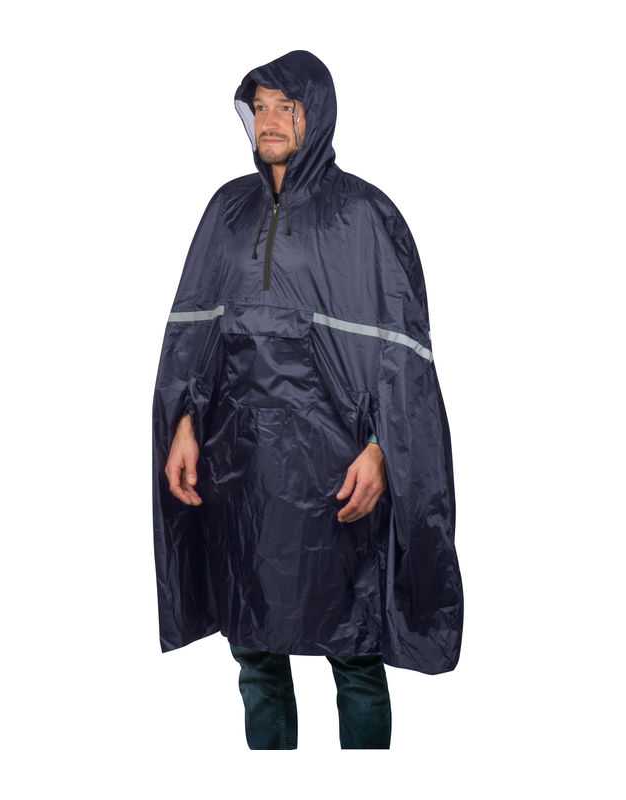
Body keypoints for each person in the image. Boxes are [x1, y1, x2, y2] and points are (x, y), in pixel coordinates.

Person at [151, 50, 463, 750]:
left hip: (335, 469)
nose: (268, 121)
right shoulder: (227, 210)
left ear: (315, 113)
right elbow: (195, 333)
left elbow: (403, 356)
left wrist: (382, 450)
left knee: (354, 653)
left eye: (285, 107)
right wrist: (183, 425)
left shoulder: (365, 214)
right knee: (254, 652)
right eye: (258, 107)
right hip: (240, 470)